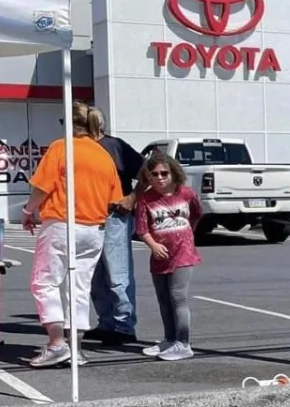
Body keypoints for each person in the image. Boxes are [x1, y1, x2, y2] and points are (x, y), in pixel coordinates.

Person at [21, 102, 123, 368]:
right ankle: (75, 348)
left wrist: (28, 210)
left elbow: (42, 187)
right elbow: (114, 197)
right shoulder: (103, 155)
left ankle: (57, 344)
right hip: (94, 227)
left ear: (69, 124)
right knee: (79, 288)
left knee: (45, 282)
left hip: (62, 222)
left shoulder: (61, 148)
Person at [133, 150, 202, 361]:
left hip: (183, 254)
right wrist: (153, 245)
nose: (160, 178)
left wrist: (187, 235)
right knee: (164, 300)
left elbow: (197, 214)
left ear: (173, 173)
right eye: (154, 174)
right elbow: (142, 229)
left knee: (178, 297)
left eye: (164, 173)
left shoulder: (186, 194)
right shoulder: (145, 200)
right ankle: (170, 339)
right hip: (160, 256)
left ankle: (183, 343)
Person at [86, 116, 146, 346]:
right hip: (87, 216)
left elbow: (147, 172)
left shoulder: (115, 146)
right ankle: (107, 323)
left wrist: (132, 197)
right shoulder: (76, 147)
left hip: (114, 216)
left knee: (117, 273)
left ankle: (124, 325)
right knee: (95, 275)